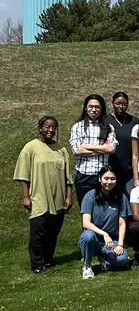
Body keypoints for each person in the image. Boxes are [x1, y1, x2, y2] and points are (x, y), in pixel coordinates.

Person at [13, 116, 74, 275]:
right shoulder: (31, 147)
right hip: (38, 197)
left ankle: (48, 259)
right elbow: (23, 175)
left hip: (58, 199)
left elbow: (68, 178)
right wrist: (26, 197)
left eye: (54, 127)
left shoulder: (61, 149)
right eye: (47, 127)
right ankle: (37, 264)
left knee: (53, 231)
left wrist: (69, 197)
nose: (51, 130)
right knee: (38, 231)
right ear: (40, 128)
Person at [78, 166, 131, 279]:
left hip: (111, 241)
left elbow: (122, 223)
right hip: (94, 239)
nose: (109, 182)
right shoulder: (90, 196)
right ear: (99, 179)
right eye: (106, 178)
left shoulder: (121, 198)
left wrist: (120, 244)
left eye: (112, 179)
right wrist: (104, 234)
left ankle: (105, 260)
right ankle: (87, 266)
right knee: (88, 236)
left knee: (122, 260)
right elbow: (86, 223)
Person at [70, 94, 118, 209]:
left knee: (103, 209)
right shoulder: (78, 127)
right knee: (86, 209)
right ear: (85, 108)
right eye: (90, 106)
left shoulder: (108, 127)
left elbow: (111, 149)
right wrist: (102, 149)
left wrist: (86, 146)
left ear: (101, 109)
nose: (94, 110)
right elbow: (76, 150)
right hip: (84, 176)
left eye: (97, 107)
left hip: (102, 176)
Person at [106, 92, 139, 196]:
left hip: (129, 170)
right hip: (111, 169)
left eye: (124, 104)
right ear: (112, 103)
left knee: (130, 201)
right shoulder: (105, 121)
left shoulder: (134, 122)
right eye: (118, 103)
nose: (121, 107)